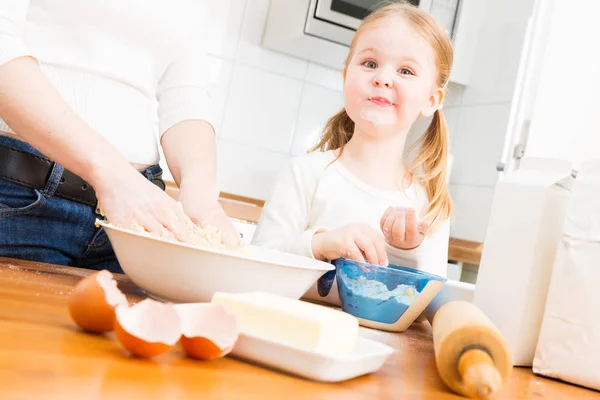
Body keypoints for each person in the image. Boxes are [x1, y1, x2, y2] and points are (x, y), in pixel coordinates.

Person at [0, 1, 240, 273]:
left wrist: (201, 196)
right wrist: (113, 176)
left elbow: (186, 93)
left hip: (140, 219)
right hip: (21, 198)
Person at [251, 2, 454, 282]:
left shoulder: (429, 207)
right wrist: (320, 244)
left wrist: (408, 251)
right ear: (347, 76)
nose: (383, 78)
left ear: (432, 100)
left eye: (405, 71)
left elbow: (429, 303)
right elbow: (260, 264)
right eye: (370, 63)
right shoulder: (304, 174)